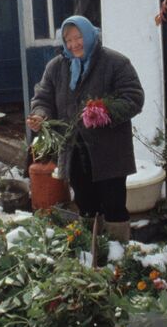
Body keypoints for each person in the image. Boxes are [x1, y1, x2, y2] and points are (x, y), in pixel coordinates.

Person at [27, 15, 144, 241]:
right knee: (85, 203)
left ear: (89, 35)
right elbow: (42, 99)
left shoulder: (115, 62)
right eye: (68, 40)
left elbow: (134, 98)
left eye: (78, 37)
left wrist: (104, 110)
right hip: (74, 149)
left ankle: (119, 254)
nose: (74, 44)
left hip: (109, 151)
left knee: (114, 205)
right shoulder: (56, 67)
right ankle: (93, 251)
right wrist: (40, 116)